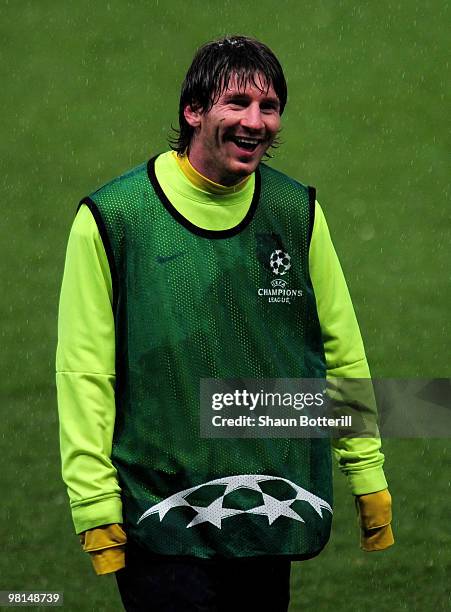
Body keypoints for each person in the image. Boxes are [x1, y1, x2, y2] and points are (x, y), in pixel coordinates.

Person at [56, 35, 394, 611]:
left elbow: (340, 351)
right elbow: (84, 370)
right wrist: (93, 502)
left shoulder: (296, 213)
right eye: (236, 102)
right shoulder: (113, 221)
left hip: (265, 502)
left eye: (269, 107)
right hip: (158, 508)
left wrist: (367, 471)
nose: (255, 122)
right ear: (193, 111)